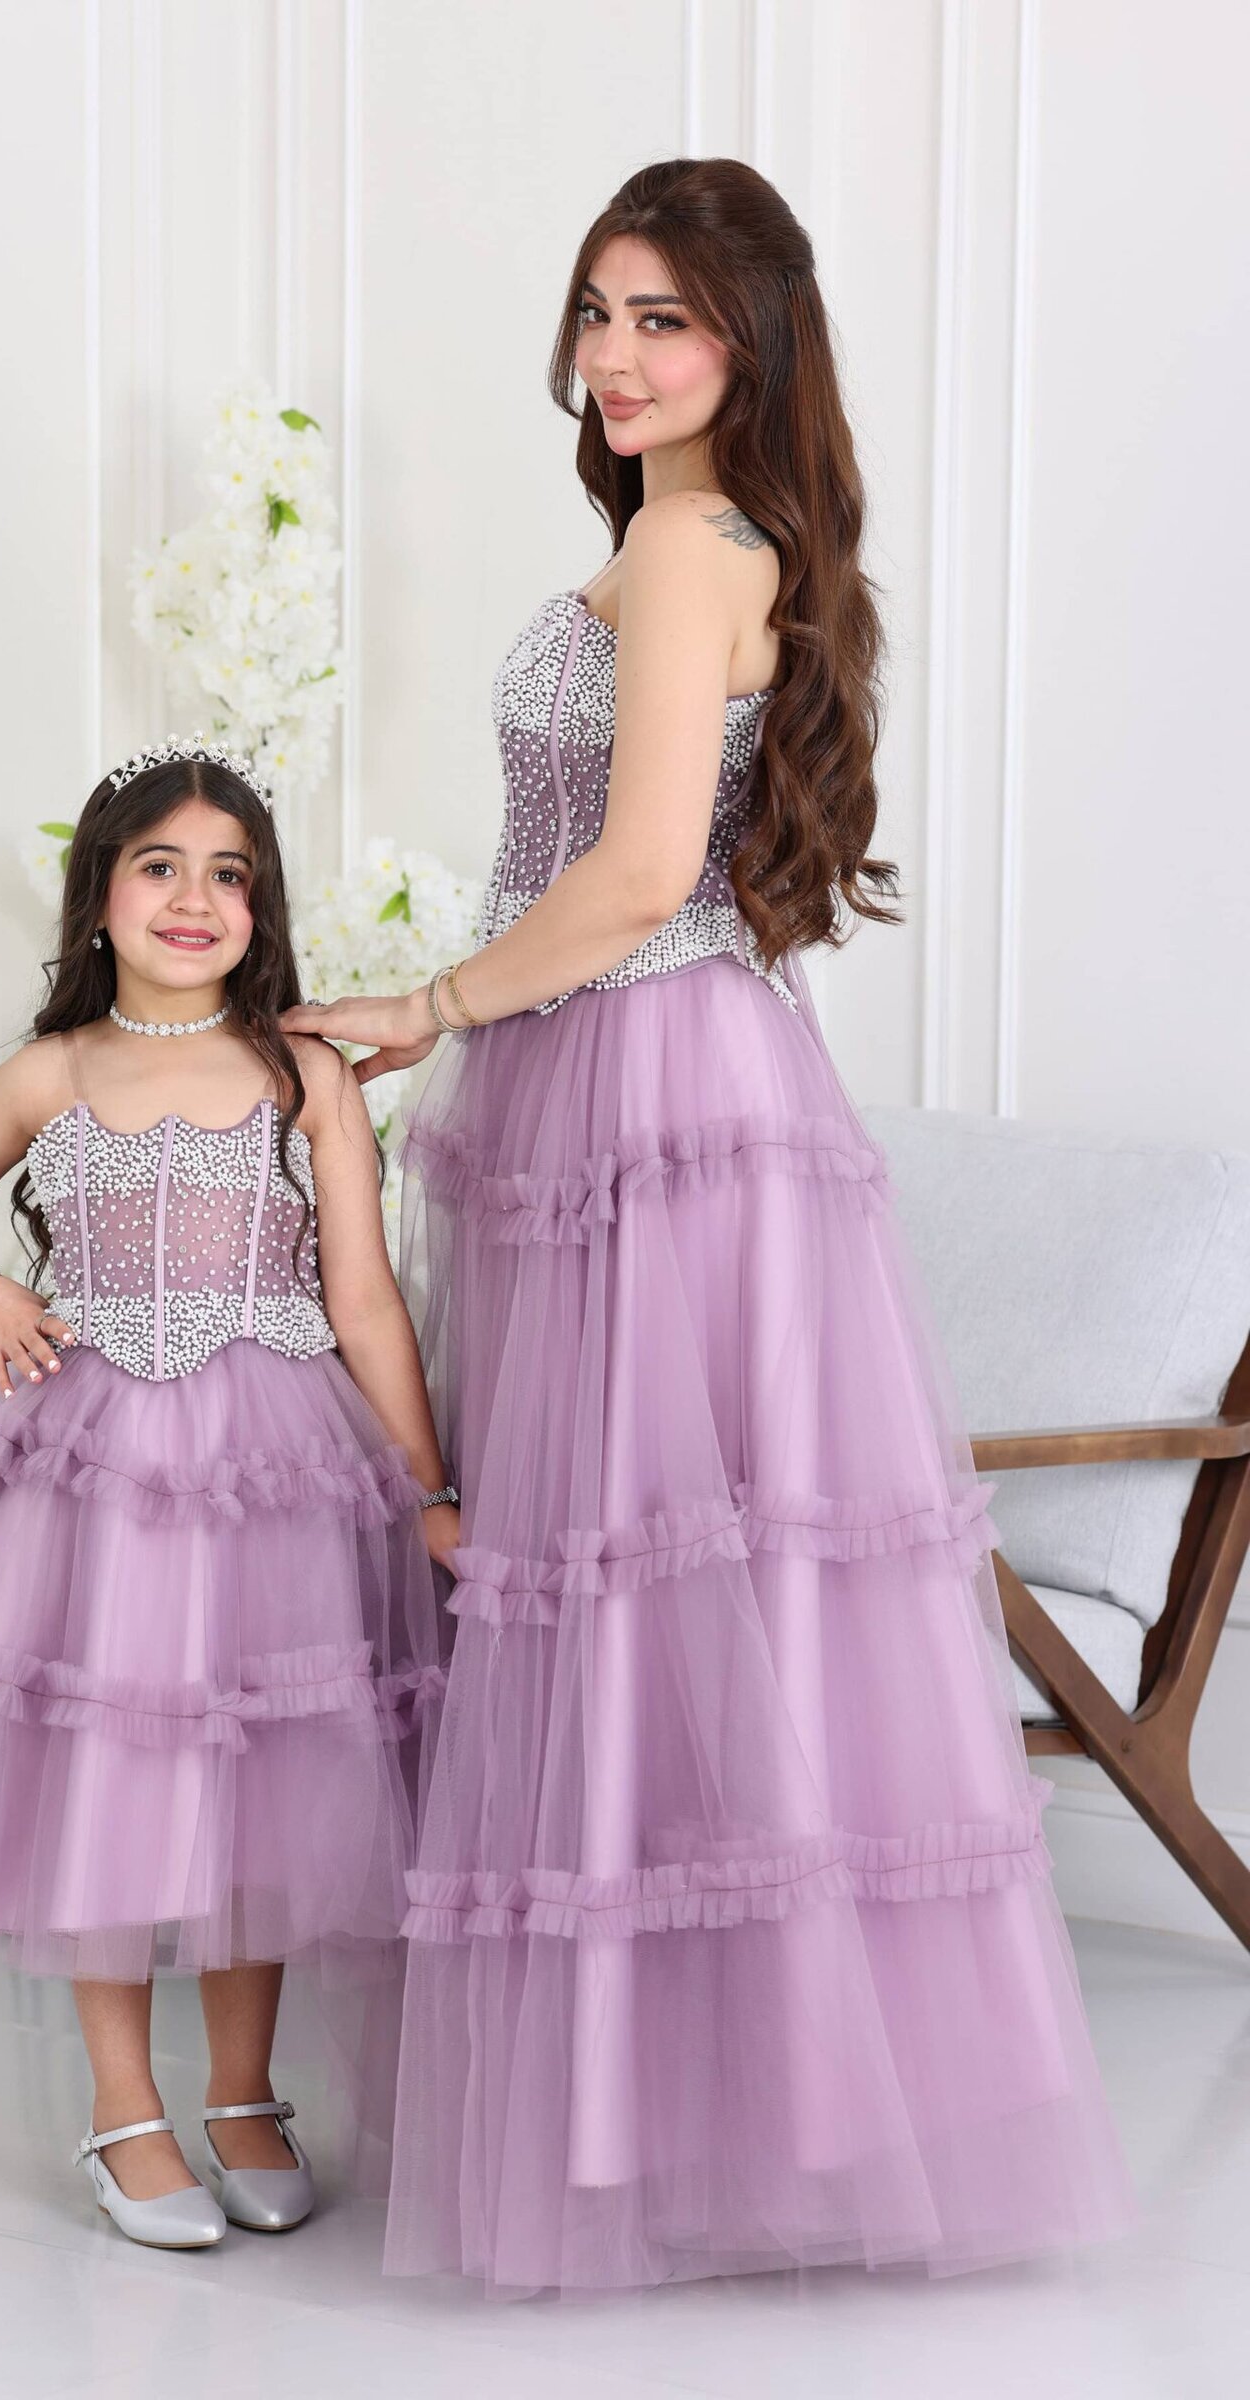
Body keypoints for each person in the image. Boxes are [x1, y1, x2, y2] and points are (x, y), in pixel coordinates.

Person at [283, 158, 1138, 2295]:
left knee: (643, 1579)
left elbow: (645, 865)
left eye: (661, 316)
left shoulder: (688, 544)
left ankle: (647, 2125)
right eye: (596, 311)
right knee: (644, 1591)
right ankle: (696, 2116)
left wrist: (428, 1004)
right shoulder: (703, 537)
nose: (614, 354)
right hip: (635, 1079)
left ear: (750, 339)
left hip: (647, 1086)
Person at [0, 739, 454, 2251]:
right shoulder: (54, 1070)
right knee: (111, 1770)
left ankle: (243, 2091)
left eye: (230, 875)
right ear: (99, 895)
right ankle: (122, 2103)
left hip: (272, 1469)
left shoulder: (302, 1073)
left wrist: (429, 1488)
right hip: (96, 1468)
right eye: (160, 867)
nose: (193, 899)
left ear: (260, 909)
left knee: (259, 1774)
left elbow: (363, 1298)